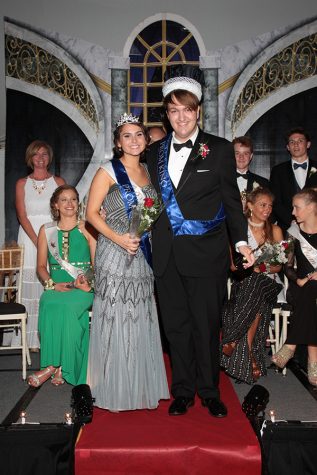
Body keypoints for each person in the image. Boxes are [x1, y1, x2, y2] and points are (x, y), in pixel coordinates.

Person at [146, 72, 254, 418]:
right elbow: (146, 202)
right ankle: (182, 391)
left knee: (206, 327)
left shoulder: (219, 149)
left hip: (207, 255)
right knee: (175, 327)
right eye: (174, 111)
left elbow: (231, 203)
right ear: (167, 113)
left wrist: (240, 241)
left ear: (197, 112)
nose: (181, 117)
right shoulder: (154, 153)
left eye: (187, 110)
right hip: (166, 256)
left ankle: (209, 392)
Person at [86, 113, 169, 411]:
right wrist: (119, 238)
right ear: (118, 143)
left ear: (146, 141)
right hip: (114, 251)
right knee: (116, 317)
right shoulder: (107, 171)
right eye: (127, 136)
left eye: (138, 135)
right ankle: (111, 387)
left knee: (139, 316)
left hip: (142, 255)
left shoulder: (150, 172)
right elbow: (91, 214)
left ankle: (139, 386)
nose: (133, 140)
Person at [27, 185, 96, 387]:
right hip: (56, 285)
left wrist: (88, 283)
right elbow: (40, 266)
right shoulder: (46, 230)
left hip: (83, 287)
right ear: (55, 205)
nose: (69, 204)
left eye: (73, 199)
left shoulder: (88, 227)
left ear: (78, 203)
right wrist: (52, 284)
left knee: (67, 308)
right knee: (48, 301)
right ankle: (54, 366)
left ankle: (58, 366)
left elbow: (97, 264)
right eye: (64, 200)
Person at [220, 187, 284, 384]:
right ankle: (248, 355)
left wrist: (257, 267)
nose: (267, 209)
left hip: (270, 284)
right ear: (250, 206)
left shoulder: (275, 230)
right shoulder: (238, 230)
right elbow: (232, 265)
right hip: (245, 284)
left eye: (270, 205)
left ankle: (232, 337)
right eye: (263, 205)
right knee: (256, 302)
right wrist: (250, 270)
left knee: (256, 284)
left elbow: (277, 266)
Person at [15, 140, 65, 351]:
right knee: (30, 286)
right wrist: (38, 241)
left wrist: (49, 242)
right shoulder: (21, 184)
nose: (40, 157)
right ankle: (29, 341)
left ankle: (49, 338)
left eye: (44, 154)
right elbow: (22, 215)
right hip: (29, 237)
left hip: (52, 236)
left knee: (50, 285)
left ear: (49, 157)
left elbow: (66, 212)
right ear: (30, 158)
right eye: (36, 154)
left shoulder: (59, 181)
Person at [271, 188, 317, 386]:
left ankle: (291, 344)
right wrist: (298, 280)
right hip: (300, 286)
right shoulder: (292, 233)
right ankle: (313, 363)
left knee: (312, 292)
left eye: (297, 207)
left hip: (310, 289)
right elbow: (287, 266)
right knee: (309, 292)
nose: (292, 212)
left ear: (312, 208)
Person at [270, 127, 317, 233]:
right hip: (287, 228)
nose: (296, 144)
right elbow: (275, 201)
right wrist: (292, 221)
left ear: (308, 144)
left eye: (300, 141)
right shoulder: (278, 171)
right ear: (288, 147)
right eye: (292, 142)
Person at [233, 136, 269, 211]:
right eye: (237, 153)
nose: (241, 157)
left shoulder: (263, 183)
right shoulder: (222, 181)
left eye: (245, 153)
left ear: (251, 156)